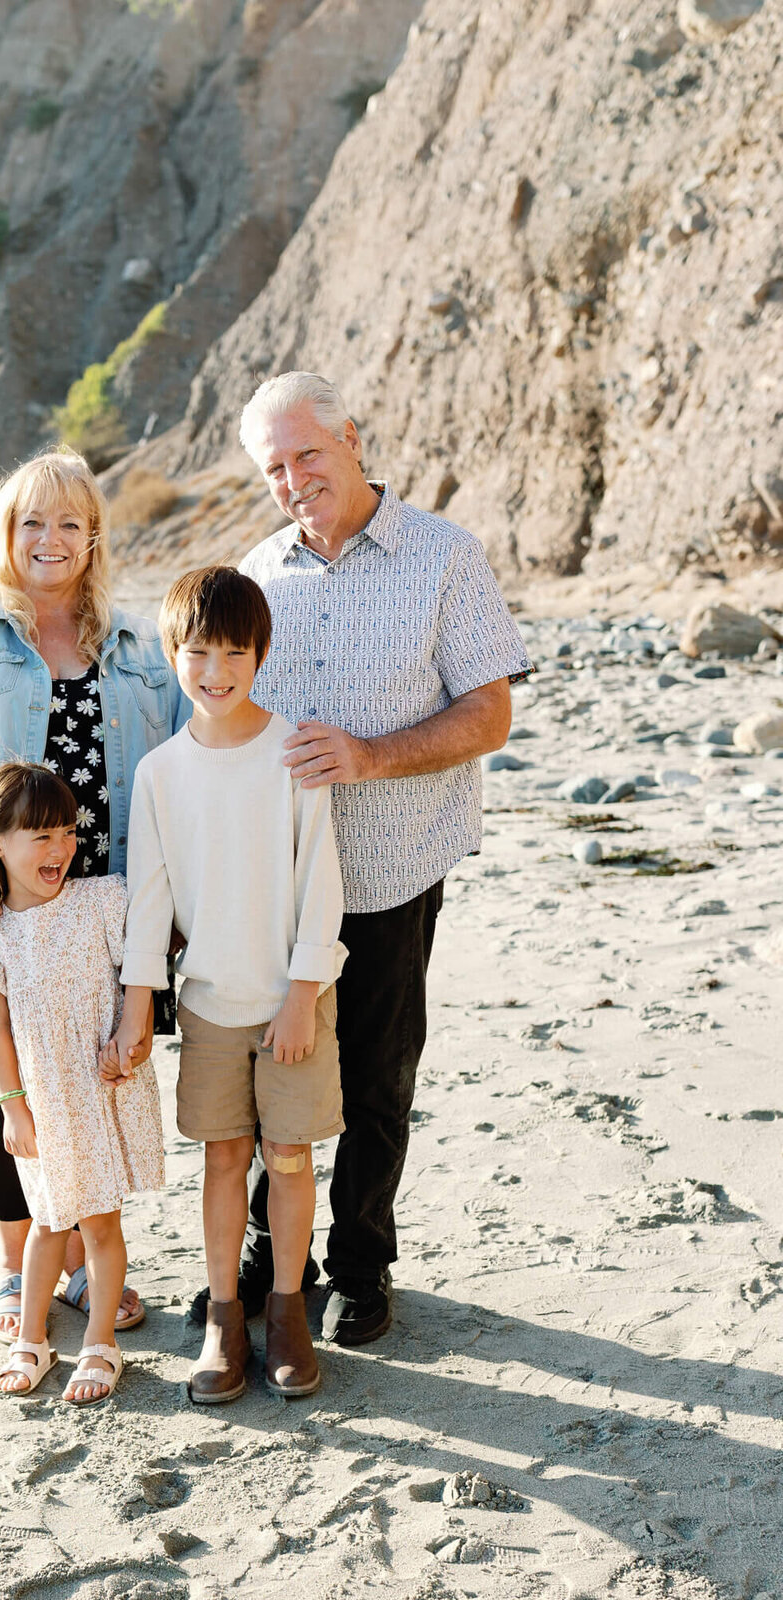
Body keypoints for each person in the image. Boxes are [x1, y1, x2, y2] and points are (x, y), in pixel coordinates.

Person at [229, 370, 533, 1347]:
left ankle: (361, 1266)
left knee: (377, 1080)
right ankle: (267, 1261)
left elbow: (490, 712)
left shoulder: (446, 557)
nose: (293, 478)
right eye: (274, 466)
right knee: (263, 1076)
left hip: (396, 865)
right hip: (276, 882)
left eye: (307, 453)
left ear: (352, 438)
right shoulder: (255, 573)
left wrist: (368, 757)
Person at [0, 448, 183, 1343]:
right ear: (4, 536)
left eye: (69, 522)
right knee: (11, 1098)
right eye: (30, 523)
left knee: (92, 1093)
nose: (49, 539)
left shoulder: (136, 649)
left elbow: (173, 786)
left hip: (103, 916)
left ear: (94, 537)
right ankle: (19, 1271)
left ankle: (93, 1270)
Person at [108, 566, 346, 1402]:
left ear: (261, 654)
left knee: (288, 1157)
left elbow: (322, 881)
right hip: (208, 1001)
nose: (214, 670)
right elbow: (149, 901)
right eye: (197, 651)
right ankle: (222, 1316)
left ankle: (286, 1312)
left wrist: (301, 993)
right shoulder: (162, 774)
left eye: (233, 652)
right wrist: (138, 1007)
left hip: (292, 1001)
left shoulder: (294, 753)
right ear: (172, 652)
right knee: (223, 1157)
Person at [0, 762, 163, 1403]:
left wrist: (134, 1030)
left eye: (67, 831)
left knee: (99, 1222)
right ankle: (31, 1339)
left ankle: (100, 1343)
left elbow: (142, 965)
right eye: (40, 836)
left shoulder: (100, 901)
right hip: (43, 1098)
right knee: (46, 1220)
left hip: (102, 1086)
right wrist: (12, 1107)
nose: (61, 848)